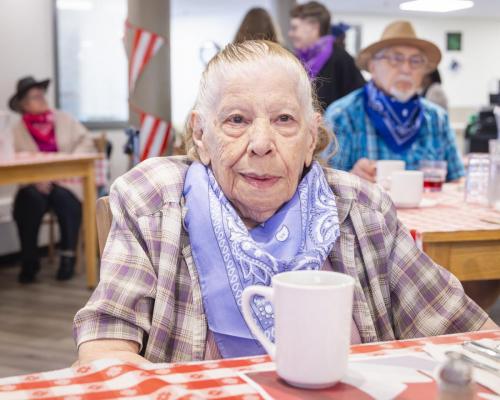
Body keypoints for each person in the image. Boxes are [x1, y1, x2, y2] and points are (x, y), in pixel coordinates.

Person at [73, 40, 495, 366]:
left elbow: (463, 330)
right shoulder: (152, 199)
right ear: (201, 135)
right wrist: (113, 361)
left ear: (312, 137)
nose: (261, 144)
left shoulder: (360, 206)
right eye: (236, 120)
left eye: (284, 120)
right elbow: (107, 342)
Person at [324, 21, 464, 183]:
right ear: (373, 66)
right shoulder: (343, 114)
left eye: (416, 61)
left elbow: (457, 180)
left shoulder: (437, 118)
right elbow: (322, 186)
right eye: (395, 59)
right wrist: (350, 179)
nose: (406, 69)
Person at [8, 76, 96, 283]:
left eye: (41, 94)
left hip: (65, 180)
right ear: (23, 105)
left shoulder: (64, 119)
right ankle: (29, 259)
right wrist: (33, 179)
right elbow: (12, 157)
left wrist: (67, 164)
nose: (41, 99)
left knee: (67, 200)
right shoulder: (15, 131)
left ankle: (68, 257)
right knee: (28, 200)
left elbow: (86, 141)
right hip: (34, 183)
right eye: (34, 96)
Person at [289, 1, 365, 109]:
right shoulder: (295, 60)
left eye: (294, 28)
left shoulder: (341, 59)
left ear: (314, 27)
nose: (291, 34)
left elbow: (357, 101)